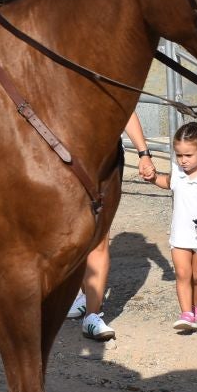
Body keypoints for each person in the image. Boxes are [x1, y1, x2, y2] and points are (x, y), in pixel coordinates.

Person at [65, 114, 151, 341]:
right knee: (75, 233)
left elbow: (126, 109)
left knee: (100, 235)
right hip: (67, 155)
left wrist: (144, 153)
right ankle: (85, 298)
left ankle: (92, 316)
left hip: (105, 160)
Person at [145, 122, 197, 334]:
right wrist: (153, 178)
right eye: (179, 155)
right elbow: (166, 181)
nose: (183, 161)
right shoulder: (177, 174)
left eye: (188, 155)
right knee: (182, 274)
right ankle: (186, 314)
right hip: (180, 235)